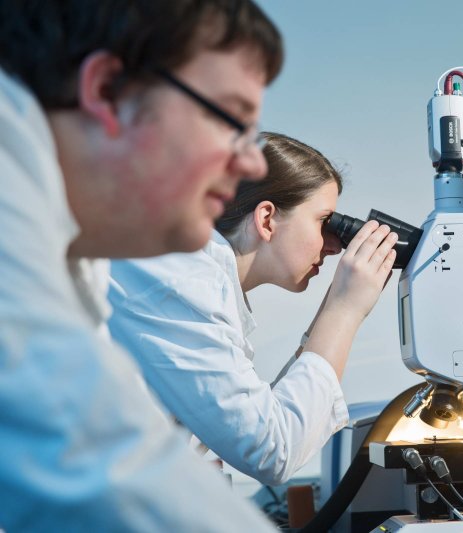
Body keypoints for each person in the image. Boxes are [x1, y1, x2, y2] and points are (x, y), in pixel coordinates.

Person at [0, 0, 289, 529]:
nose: (251, 164)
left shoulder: (73, 245)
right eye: (233, 121)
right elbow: (96, 466)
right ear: (108, 91)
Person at [108, 133, 398, 484]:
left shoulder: (192, 275)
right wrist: (345, 312)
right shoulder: (183, 283)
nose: (334, 245)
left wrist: (331, 309)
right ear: (267, 219)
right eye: (325, 221)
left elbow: (262, 418)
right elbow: (272, 450)